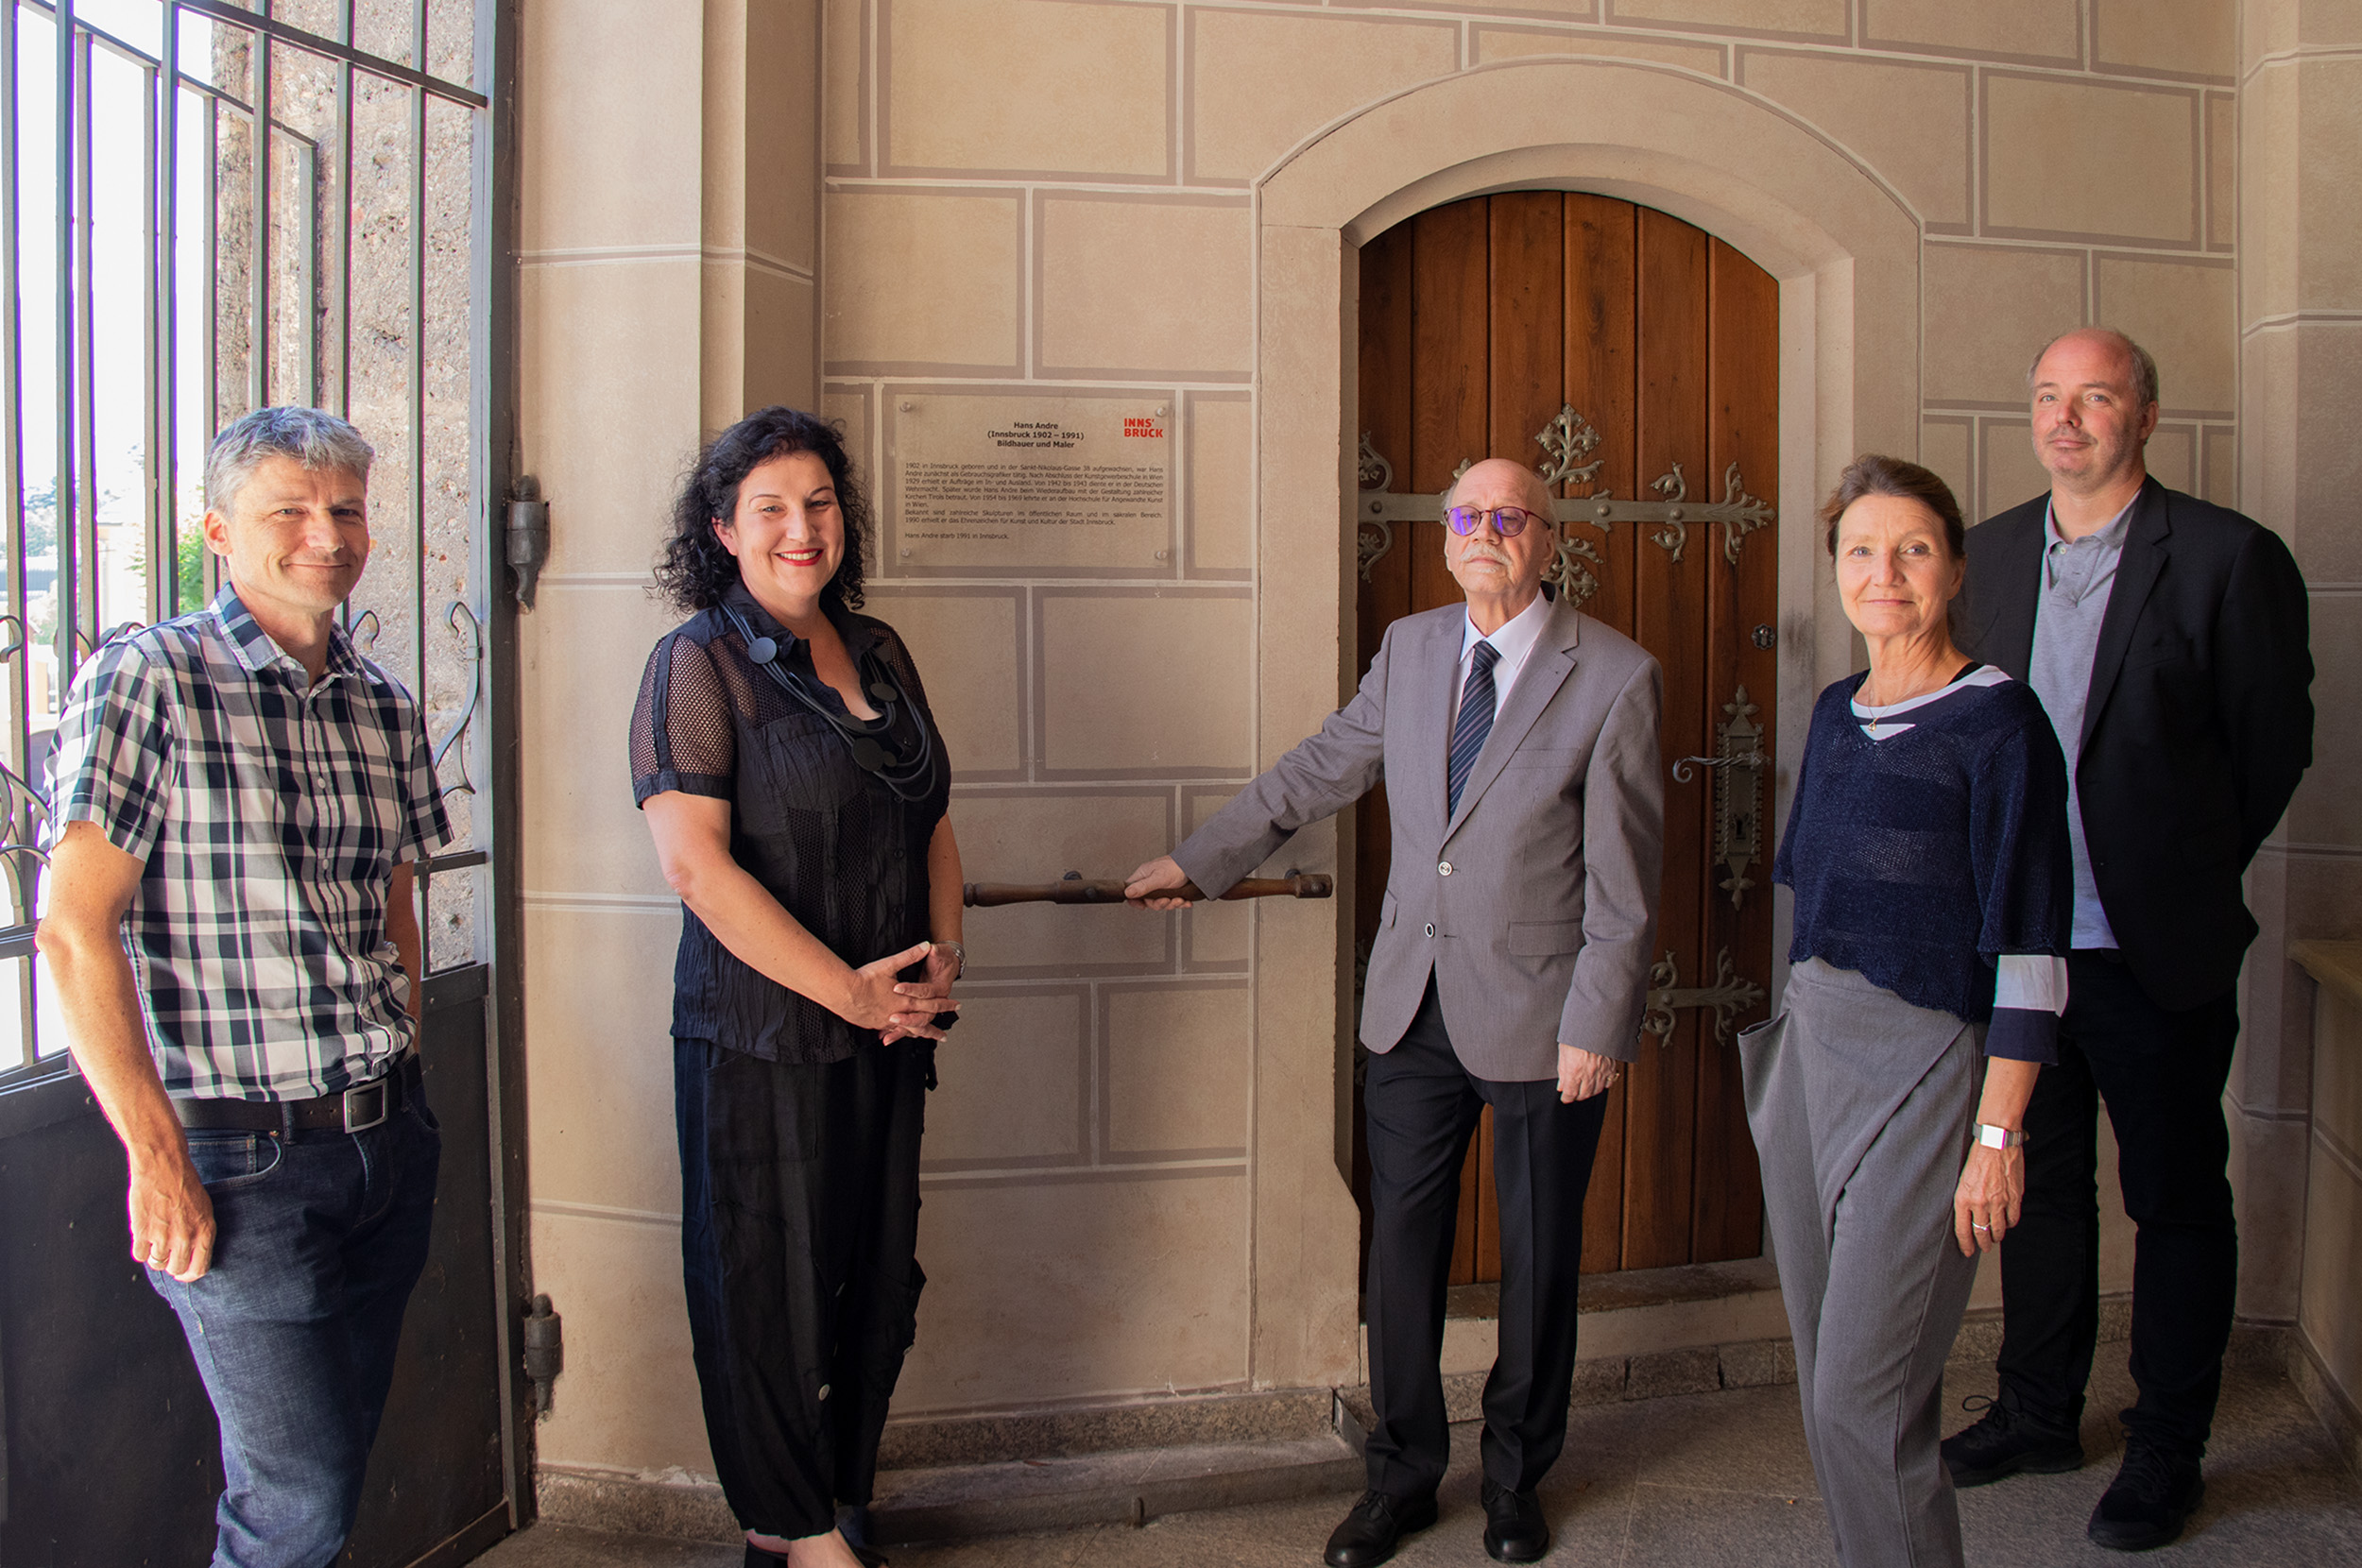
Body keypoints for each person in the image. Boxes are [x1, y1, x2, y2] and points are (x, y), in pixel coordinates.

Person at [1127, 457, 1663, 1567]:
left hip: (1540, 1016)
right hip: (1407, 1006)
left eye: (1508, 517)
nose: (1484, 532)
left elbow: (1625, 882)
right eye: (1465, 514)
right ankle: (1405, 1475)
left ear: (1547, 539)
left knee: (1538, 1258)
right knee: (1401, 1255)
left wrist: (1597, 1026)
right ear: (1444, 533)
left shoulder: (1612, 675)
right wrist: (1202, 858)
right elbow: (1321, 766)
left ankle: (1515, 1480)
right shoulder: (1413, 649)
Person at [39, 406, 453, 1568]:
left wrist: (402, 1054)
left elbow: (391, 902)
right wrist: (155, 1155)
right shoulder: (150, 679)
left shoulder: (380, 706)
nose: (326, 533)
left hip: (385, 1142)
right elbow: (76, 932)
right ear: (219, 529)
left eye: (347, 510)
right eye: (290, 510)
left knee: (332, 1471)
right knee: (295, 1503)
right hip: (239, 1165)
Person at [1941, 329, 2314, 1550]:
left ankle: (2167, 1450)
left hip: (2156, 951)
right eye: (2048, 396)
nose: (2068, 419)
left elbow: (2271, 751)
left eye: (2095, 397)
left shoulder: (2225, 559)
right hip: (2022, 955)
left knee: (2173, 1200)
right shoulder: (1986, 557)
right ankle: (2040, 1410)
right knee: (2040, 1193)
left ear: (2144, 416)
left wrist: (2177, 868)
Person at [632, 406, 962, 1568]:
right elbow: (694, 868)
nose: (799, 527)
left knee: (878, 1272)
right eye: (768, 507)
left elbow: (928, 815)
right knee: (764, 1286)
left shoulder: (878, 649)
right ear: (721, 529)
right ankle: (797, 1528)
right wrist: (852, 991)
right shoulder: (696, 662)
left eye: (818, 502)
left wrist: (943, 952)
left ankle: (838, 1486)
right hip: (760, 1038)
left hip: (889, 1033)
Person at [1742, 454, 2073, 1568]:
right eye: (1860, 551)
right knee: (1837, 1397)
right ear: (1837, 568)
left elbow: (2032, 947)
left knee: (1863, 1402)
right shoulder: (1839, 713)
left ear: (1955, 568)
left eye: (1912, 549)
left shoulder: (2000, 724)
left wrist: (1997, 1135)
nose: (1884, 572)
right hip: (1811, 1057)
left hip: (1929, 1069)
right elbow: (1818, 905)